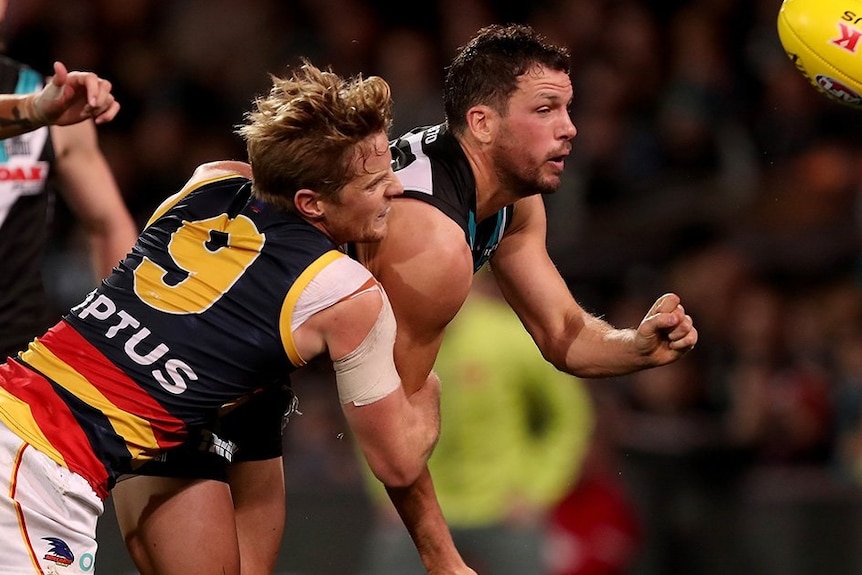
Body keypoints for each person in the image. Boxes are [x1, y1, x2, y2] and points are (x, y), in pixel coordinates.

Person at [113, 23, 699, 575]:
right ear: (483, 123)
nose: (569, 126)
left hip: (246, 388)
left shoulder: (512, 204)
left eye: (568, 108)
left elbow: (563, 334)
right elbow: (395, 447)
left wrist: (634, 346)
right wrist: (441, 557)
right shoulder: (433, 243)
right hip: (185, 382)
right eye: (545, 109)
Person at [0, 60, 442, 575]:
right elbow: (398, 462)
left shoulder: (208, 181)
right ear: (311, 203)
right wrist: (427, 381)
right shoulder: (346, 295)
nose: (394, 190)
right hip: (39, 472)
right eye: (373, 183)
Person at [359, 268, 595, 574]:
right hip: (417, 507)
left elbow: (570, 414)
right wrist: (384, 492)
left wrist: (539, 490)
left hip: (503, 506)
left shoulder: (508, 336)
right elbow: (369, 419)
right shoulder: (395, 339)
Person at [0, 49, 136, 362]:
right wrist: (34, 110)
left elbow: (108, 225)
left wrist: (119, 350)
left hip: (16, 355)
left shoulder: (50, 98)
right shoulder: (41, 103)